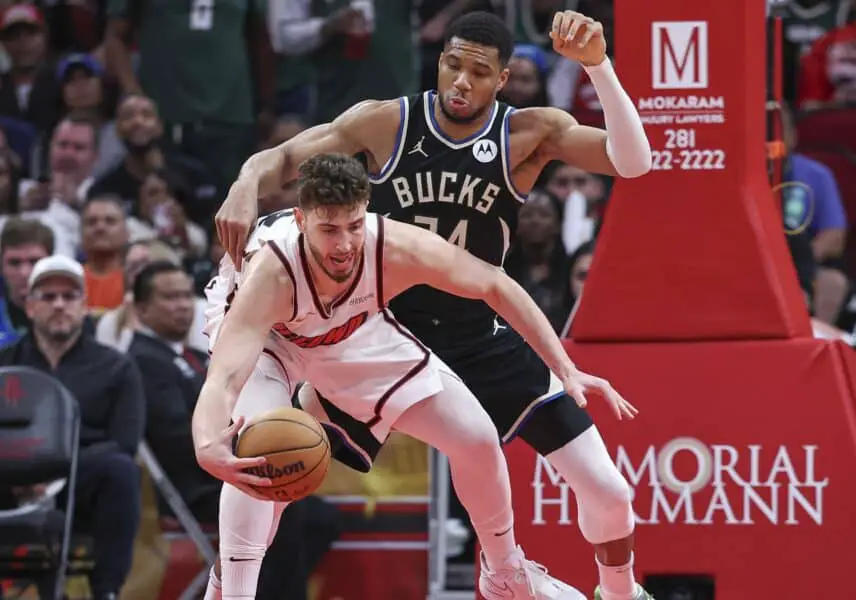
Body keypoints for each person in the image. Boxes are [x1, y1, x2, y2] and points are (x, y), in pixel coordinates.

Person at [215, 10, 653, 600]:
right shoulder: (385, 122)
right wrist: (245, 182)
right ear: (439, 61)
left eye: (479, 72)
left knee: (610, 491)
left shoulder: (528, 132)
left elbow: (633, 162)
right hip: (377, 334)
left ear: (502, 79)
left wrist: (598, 67)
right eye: (452, 64)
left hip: (478, 335)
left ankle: (619, 591)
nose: (461, 81)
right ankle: (229, 586)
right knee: (275, 463)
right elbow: (285, 158)